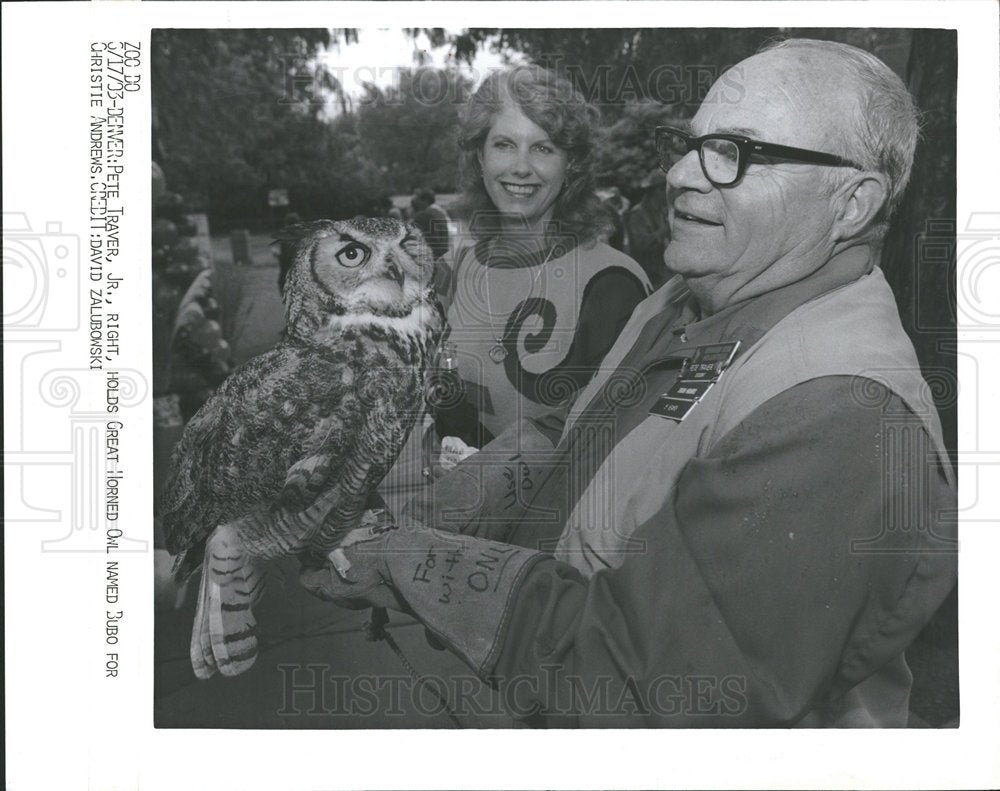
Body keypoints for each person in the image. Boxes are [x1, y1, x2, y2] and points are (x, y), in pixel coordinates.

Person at [305, 39, 957, 728]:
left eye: (736, 152)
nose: (679, 173)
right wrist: (451, 505)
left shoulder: (834, 413)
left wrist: (421, 565)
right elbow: (587, 428)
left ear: (852, 204)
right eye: (690, 144)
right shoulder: (685, 296)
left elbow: (647, 676)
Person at [431, 65, 651, 450]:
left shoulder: (613, 283)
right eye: (504, 145)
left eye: (543, 148)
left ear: (571, 165)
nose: (521, 167)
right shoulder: (450, 271)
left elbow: (621, 441)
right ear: (480, 157)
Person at [625, 167, 671, 287]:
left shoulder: (661, 211)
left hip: (661, 274)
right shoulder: (638, 214)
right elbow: (639, 246)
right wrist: (663, 232)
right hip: (647, 276)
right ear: (656, 191)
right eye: (665, 189)